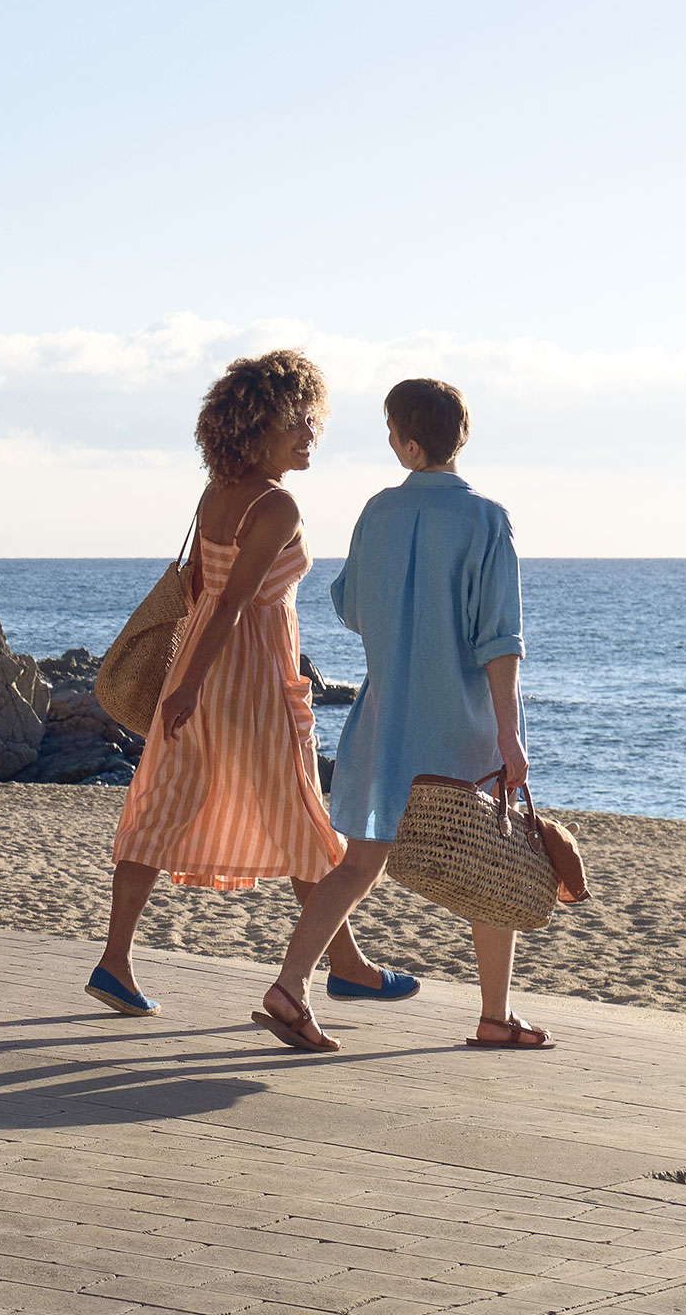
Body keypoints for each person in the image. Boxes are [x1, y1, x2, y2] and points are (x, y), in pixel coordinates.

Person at [90, 351, 415, 1017]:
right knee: (299, 816)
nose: (308, 434)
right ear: (252, 426)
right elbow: (234, 602)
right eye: (294, 421)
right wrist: (190, 688)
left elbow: (206, 594)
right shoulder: (276, 504)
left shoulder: (217, 495)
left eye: (311, 420)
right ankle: (346, 967)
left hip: (202, 675)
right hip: (253, 683)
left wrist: (186, 686)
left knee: (160, 807)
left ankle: (115, 962)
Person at [252, 377, 546, 1052]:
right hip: (460, 724)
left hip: (386, 722)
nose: (388, 441)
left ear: (411, 444)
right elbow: (499, 639)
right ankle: (495, 1017)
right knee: (490, 864)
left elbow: (353, 608)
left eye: (390, 431)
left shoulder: (376, 513)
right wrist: (509, 732)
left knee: (358, 865)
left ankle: (290, 985)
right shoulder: (486, 519)